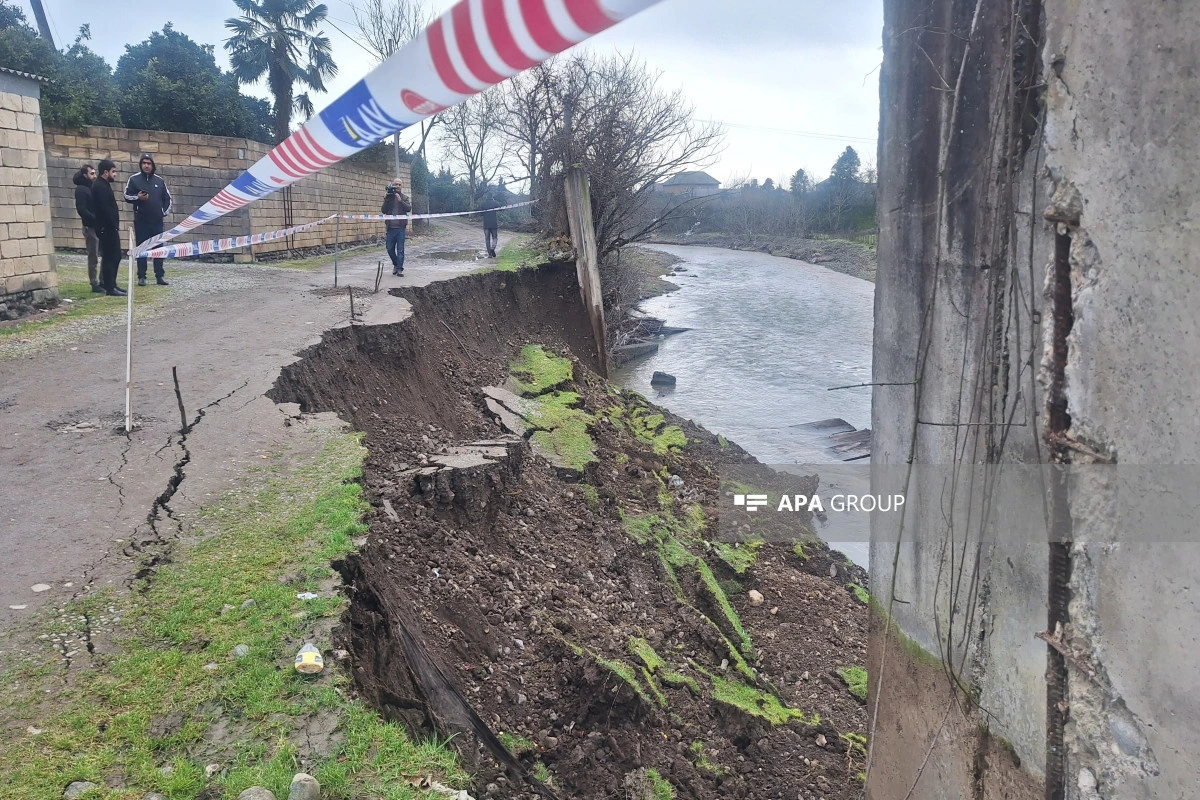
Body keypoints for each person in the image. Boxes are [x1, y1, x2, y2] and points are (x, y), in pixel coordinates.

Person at [123, 153, 172, 286]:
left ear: (152, 165)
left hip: (157, 222)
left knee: (158, 249)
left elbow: (168, 198)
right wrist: (138, 197)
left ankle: (159, 276)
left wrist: (163, 212)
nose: (146, 165)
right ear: (141, 164)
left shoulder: (159, 181)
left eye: (148, 163)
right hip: (141, 221)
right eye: (144, 163)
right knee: (141, 249)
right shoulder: (134, 180)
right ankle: (142, 276)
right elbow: (126, 196)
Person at [91, 159, 126, 297]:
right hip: (106, 228)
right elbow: (104, 209)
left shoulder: (103, 185)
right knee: (110, 257)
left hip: (109, 227)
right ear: (106, 172)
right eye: (113, 171)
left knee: (115, 256)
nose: (115, 174)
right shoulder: (99, 186)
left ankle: (111, 283)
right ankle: (110, 287)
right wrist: (111, 224)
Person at [72, 164, 104, 293]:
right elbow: (82, 210)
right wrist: (94, 219)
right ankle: (94, 282)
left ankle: (103, 280)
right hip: (90, 226)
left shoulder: (93, 187)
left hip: (99, 225)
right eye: (91, 173)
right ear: (85, 175)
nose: (94, 176)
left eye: (95, 173)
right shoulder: (81, 189)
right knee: (93, 255)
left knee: (104, 253)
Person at [382, 178, 412, 276]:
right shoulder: (389, 198)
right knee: (389, 248)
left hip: (400, 229)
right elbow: (383, 210)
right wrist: (386, 199)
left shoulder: (405, 197)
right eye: (396, 184)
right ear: (393, 185)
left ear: (402, 186)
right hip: (390, 228)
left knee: (400, 250)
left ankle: (399, 269)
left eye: (399, 184)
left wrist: (400, 201)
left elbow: (408, 208)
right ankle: (396, 264)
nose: (397, 186)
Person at [481, 191, 500, 258]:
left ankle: (489, 254)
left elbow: (480, 213)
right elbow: (500, 208)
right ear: (492, 196)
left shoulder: (483, 204)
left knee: (487, 239)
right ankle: (493, 248)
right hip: (493, 223)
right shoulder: (495, 203)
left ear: (486, 196)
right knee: (495, 237)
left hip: (486, 224)